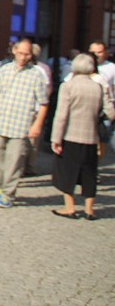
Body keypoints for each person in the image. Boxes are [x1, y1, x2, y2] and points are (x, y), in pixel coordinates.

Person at [0, 38, 49, 209]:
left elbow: (43, 103)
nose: (23, 57)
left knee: (14, 160)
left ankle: (8, 193)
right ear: (14, 51)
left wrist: (37, 125)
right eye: (21, 53)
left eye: (27, 54)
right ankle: (2, 184)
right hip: (0, 121)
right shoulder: (4, 70)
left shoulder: (35, 74)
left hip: (21, 125)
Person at [50, 54, 115, 220]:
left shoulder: (68, 86)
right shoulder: (98, 87)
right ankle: (89, 209)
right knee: (89, 173)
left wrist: (55, 138)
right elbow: (110, 112)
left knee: (67, 172)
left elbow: (61, 115)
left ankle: (70, 207)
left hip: (70, 136)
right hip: (91, 136)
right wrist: (97, 118)